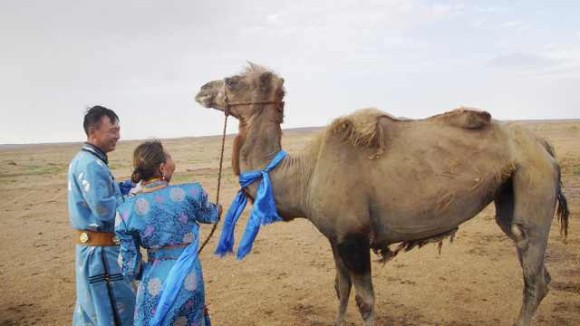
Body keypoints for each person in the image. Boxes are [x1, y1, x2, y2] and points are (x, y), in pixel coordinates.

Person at [115, 140, 221, 326]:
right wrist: (219, 208)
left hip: (153, 282)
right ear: (162, 168)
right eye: (169, 156)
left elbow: (129, 267)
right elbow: (211, 214)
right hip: (188, 278)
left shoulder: (126, 211)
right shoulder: (190, 194)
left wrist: (148, 272)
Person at [67, 105, 136, 325]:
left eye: (118, 130)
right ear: (93, 132)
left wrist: (130, 186)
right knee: (116, 310)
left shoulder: (89, 161)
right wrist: (136, 199)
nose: (117, 136)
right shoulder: (91, 165)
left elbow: (107, 197)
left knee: (97, 310)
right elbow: (105, 210)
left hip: (96, 250)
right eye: (112, 130)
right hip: (101, 254)